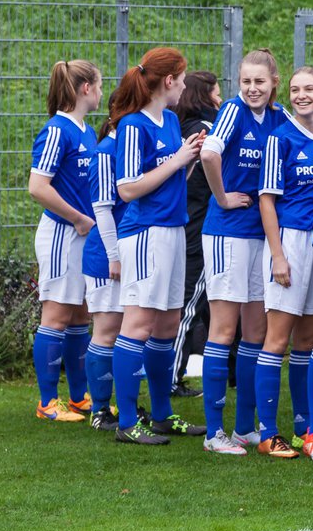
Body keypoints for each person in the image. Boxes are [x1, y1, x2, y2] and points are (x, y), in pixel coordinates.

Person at [111, 47, 207, 444]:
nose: (184, 87)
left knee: (168, 323)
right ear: (168, 81)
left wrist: (189, 161)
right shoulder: (133, 125)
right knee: (138, 324)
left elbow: (168, 183)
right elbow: (129, 187)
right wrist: (178, 158)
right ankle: (127, 421)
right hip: (145, 233)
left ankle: (163, 414)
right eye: (182, 79)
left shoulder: (169, 120)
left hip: (172, 229)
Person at [197, 49, 289, 456]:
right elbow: (208, 153)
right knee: (223, 330)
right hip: (227, 234)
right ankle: (213, 434)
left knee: (256, 332)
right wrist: (221, 197)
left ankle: (244, 428)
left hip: (260, 236)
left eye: (260, 82)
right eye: (246, 82)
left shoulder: (277, 116)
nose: (252, 89)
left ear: (273, 83)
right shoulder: (232, 111)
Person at [255, 65, 313, 458]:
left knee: (309, 338)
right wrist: (277, 255)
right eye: (294, 89)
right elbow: (267, 199)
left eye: (309, 88)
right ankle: (268, 432)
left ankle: (308, 427)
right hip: (291, 242)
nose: (301, 95)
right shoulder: (279, 139)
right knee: (277, 339)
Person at [28, 59, 103, 422]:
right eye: (100, 85)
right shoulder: (58, 130)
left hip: (81, 234)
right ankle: (47, 402)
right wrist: (76, 218)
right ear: (86, 89)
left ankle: (78, 397)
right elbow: (37, 187)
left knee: (79, 315)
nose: (102, 93)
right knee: (56, 314)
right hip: (62, 233)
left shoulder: (85, 130)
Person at [170, 70, 221, 397]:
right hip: (198, 229)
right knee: (188, 305)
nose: (220, 98)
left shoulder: (185, 128)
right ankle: (170, 377)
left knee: (187, 303)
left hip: (187, 226)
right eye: (216, 92)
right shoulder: (203, 133)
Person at [82, 93, 127, 432]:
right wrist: (114, 255)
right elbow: (103, 211)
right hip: (106, 258)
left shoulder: (129, 149)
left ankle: (121, 403)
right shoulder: (105, 153)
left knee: (129, 331)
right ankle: (99, 410)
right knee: (107, 330)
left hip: (131, 253)